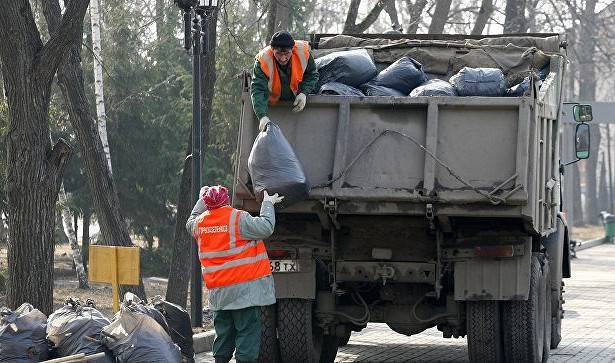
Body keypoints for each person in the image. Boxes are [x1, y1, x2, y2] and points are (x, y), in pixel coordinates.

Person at [186, 185, 284, 363]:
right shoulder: (237, 218)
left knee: (223, 334)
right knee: (247, 333)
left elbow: (190, 221)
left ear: (207, 204)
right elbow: (266, 227)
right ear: (227, 200)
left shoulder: (199, 224)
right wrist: (268, 204)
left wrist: (202, 199)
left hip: (219, 294)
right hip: (244, 292)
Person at [251, 30, 319, 131]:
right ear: (272, 49)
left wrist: (304, 93)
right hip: (273, 103)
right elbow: (258, 89)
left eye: (287, 53)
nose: (283, 58)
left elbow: (312, 75)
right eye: (278, 53)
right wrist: (262, 116)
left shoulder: (303, 53)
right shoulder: (262, 60)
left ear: (292, 49)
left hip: (297, 100)